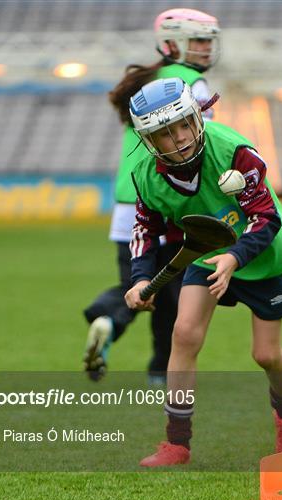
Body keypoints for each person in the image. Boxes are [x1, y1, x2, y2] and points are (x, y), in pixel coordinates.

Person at [124, 77, 282, 466]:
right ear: (149, 140)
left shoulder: (236, 151)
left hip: (263, 254)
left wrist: (236, 256)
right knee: (184, 334)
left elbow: (266, 217)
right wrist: (140, 277)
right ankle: (176, 443)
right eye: (165, 133)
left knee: (266, 354)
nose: (180, 139)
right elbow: (144, 229)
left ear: (196, 117)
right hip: (206, 249)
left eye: (184, 125)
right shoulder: (144, 174)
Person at [82, 8, 221, 383]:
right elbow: (202, 146)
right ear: (171, 43)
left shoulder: (145, 79)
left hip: (128, 202)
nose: (206, 49)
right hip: (164, 197)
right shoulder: (191, 82)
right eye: (198, 41)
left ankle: (108, 319)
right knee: (173, 288)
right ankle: (161, 371)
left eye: (209, 41)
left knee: (138, 285)